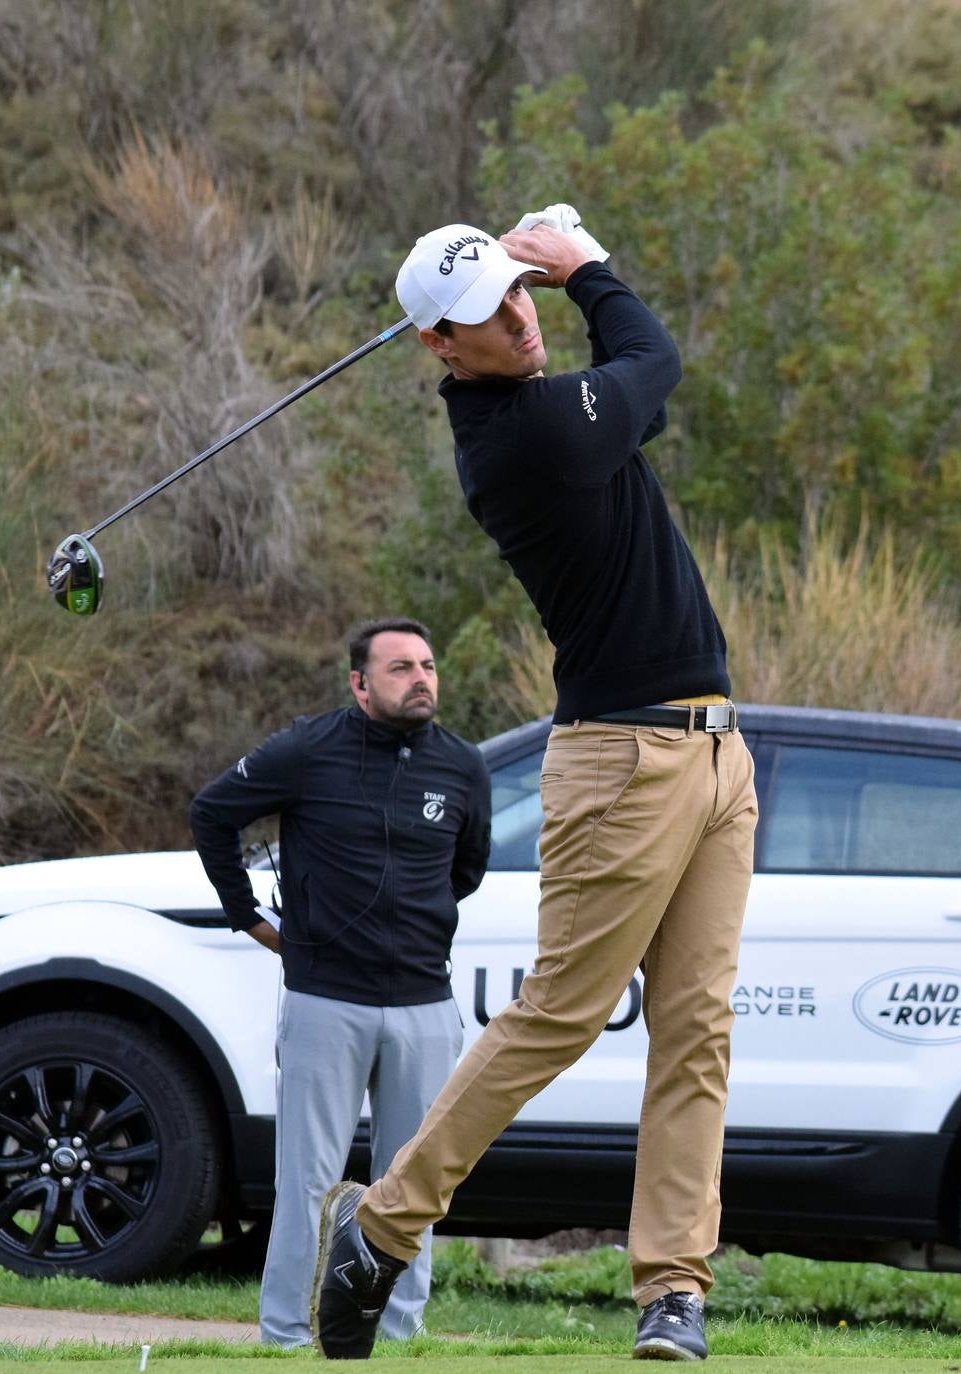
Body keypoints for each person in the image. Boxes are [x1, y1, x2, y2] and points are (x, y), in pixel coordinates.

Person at [311, 219, 757, 1362]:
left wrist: (551, 269)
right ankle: (383, 1225)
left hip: (715, 757)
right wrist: (588, 264)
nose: (521, 318)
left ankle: (672, 1289)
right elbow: (653, 363)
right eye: (492, 314)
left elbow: (636, 383)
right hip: (621, 762)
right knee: (557, 1016)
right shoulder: (521, 439)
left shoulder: (552, 400)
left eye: (525, 296)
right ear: (438, 347)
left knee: (697, 1034)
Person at [190, 616, 491, 1348]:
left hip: (424, 1006)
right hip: (326, 1001)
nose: (421, 678)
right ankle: (288, 1338)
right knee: (308, 1185)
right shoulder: (307, 749)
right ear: (360, 685)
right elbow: (212, 814)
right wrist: (254, 922)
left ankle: (396, 1338)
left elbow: (466, 871)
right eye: (400, 669)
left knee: (412, 1185)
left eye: (427, 665)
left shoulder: (462, 766)